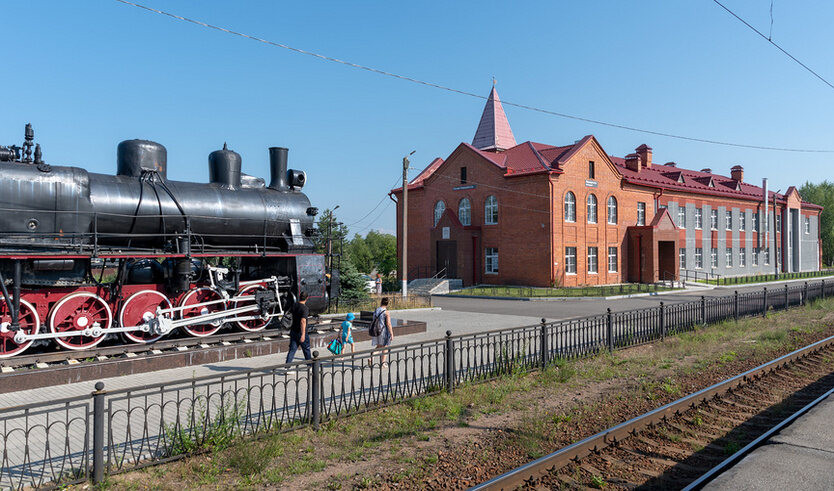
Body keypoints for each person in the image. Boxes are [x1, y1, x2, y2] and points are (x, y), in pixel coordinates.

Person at [285, 292, 311, 365]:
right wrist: (303, 335)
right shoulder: (305, 308)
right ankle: (310, 366)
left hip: (293, 331)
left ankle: (287, 367)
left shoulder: (294, 305)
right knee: (306, 350)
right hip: (301, 332)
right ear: (307, 298)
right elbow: (303, 321)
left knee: (292, 350)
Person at [368, 297, 394, 368]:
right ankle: (383, 363)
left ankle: (372, 356)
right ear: (387, 304)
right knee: (385, 347)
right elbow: (388, 323)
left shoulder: (376, 310)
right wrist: (391, 333)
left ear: (381, 302)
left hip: (376, 330)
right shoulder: (386, 312)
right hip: (383, 331)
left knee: (379, 346)